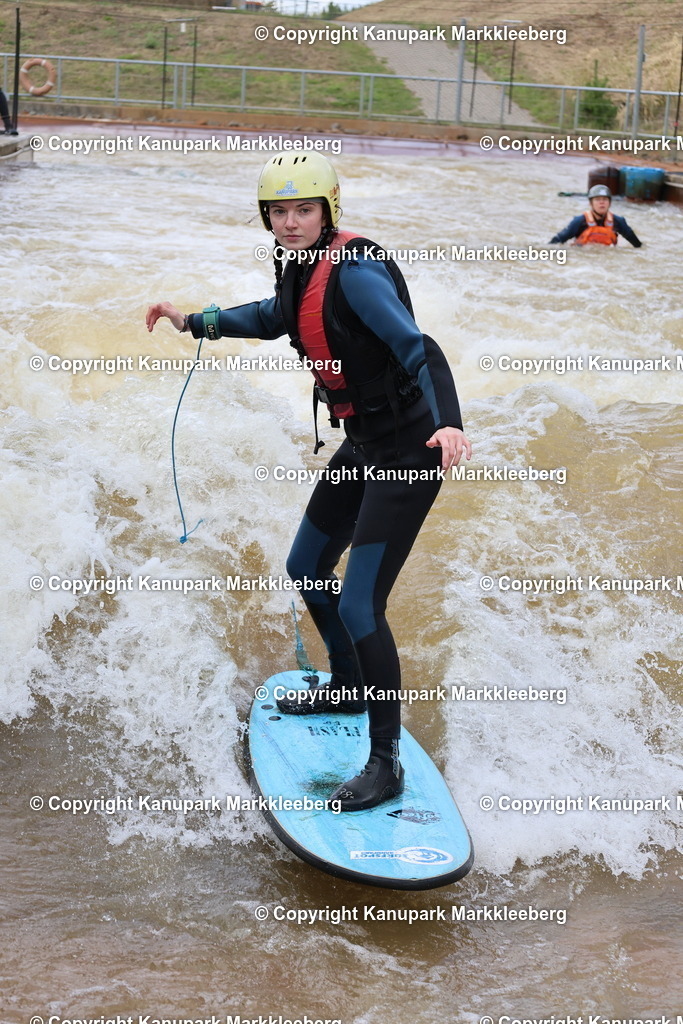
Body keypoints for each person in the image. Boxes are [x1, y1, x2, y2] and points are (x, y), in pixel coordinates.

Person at [146, 153, 471, 811]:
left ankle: (385, 764)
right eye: (279, 212)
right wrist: (194, 322)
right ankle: (347, 683)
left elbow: (420, 348)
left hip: (410, 448)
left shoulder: (355, 273)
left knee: (359, 605)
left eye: (303, 210)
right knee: (305, 565)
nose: (290, 223)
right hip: (363, 443)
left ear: (328, 211)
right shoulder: (299, 267)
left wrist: (450, 426)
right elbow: (274, 316)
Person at [550, 184, 641, 247]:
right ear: (591, 203)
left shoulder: (618, 221)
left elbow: (638, 246)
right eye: (597, 199)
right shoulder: (579, 221)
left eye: (605, 199)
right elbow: (558, 240)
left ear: (609, 203)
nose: (601, 202)